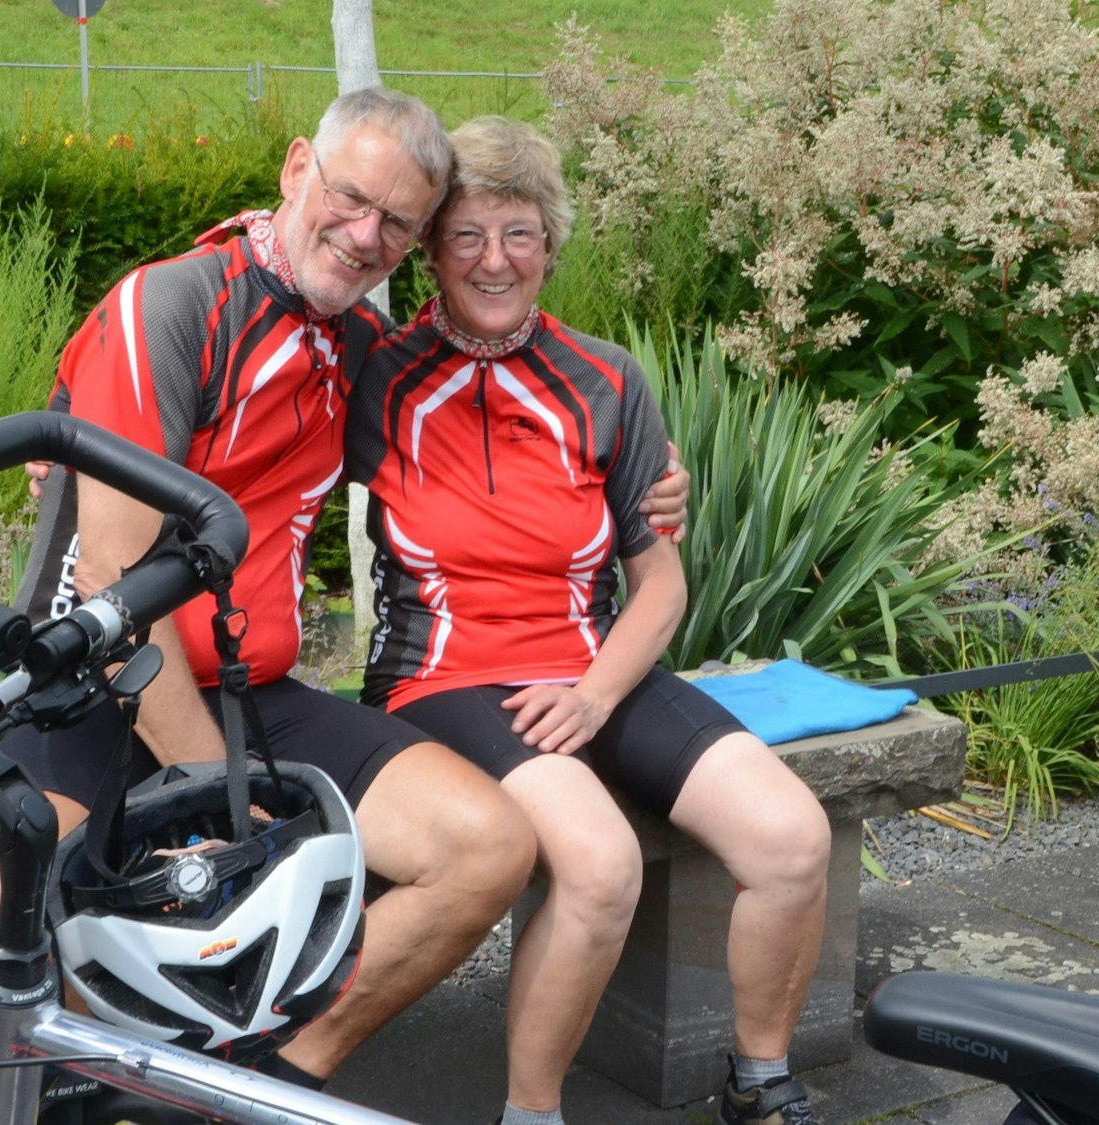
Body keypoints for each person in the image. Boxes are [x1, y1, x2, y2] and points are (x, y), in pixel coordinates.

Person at [0, 88, 687, 1100]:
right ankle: (122, 1098)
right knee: (12, 913)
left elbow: (475, 451)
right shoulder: (169, 305)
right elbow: (117, 595)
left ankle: (269, 1087)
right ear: (298, 167)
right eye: (348, 197)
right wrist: (227, 805)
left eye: (395, 225)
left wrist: (645, 488)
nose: (362, 235)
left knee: (487, 846)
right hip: (88, 681)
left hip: (254, 693)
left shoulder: (351, 353)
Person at [346, 117, 834, 1125]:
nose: (494, 259)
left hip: (587, 669)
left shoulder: (606, 378)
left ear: (550, 246)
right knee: (599, 863)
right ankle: (532, 1111)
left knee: (790, 838)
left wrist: (596, 692)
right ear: (430, 251)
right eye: (469, 235)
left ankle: (761, 1086)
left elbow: (658, 580)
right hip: (442, 677)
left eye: (519, 233)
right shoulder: (375, 374)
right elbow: (253, 395)